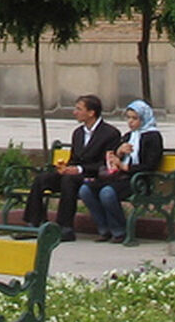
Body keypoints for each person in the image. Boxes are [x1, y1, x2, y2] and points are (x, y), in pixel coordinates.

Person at [20, 94, 120, 241]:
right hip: (74, 173)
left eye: (79, 109)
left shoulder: (110, 133)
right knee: (42, 179)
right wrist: (65, 167)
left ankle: (64, 227)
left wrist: (79, 170)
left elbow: (106, 163)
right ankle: (33, 223)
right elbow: (74, 158)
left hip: (94, 176)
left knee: (69, 180)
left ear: (91, 112)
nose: (75, 112)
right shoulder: (78, 133)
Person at [79, 99, 164, 243]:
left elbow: (150, 165)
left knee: (107, 193)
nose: (130, 122)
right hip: (119, 178)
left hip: (139, 180)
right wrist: (118, 153)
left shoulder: (152, 137)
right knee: (85, 190)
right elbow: (112, 160)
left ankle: (119, 230)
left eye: (135, 118)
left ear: (144, 118)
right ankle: (104, 228)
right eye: (128, 118)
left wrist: (125, 167)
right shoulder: (129, 136)